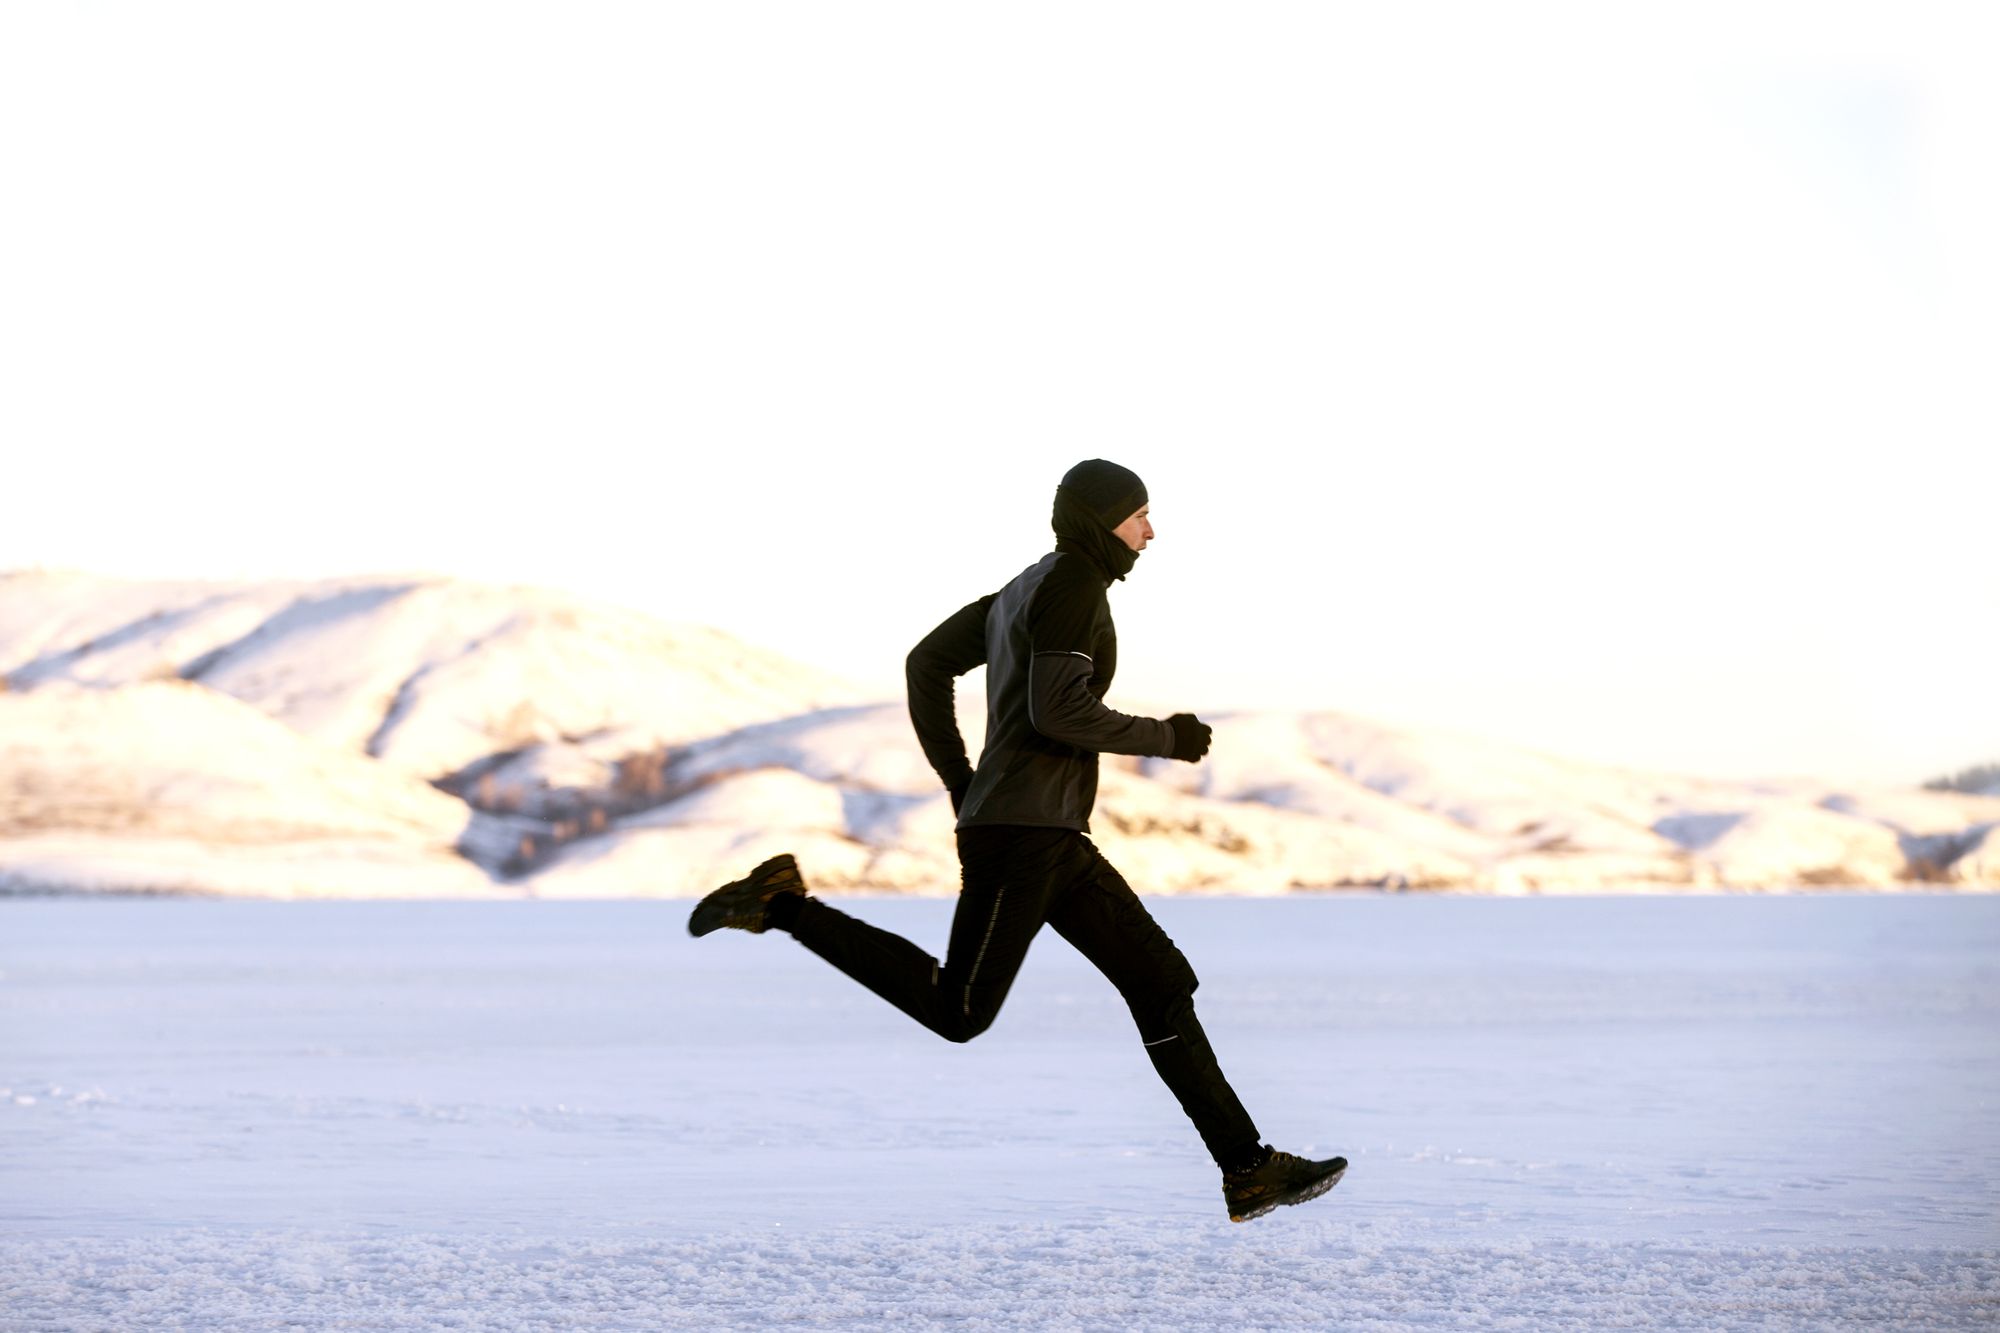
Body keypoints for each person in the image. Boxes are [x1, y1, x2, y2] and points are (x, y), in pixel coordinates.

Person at [689, 459, 1346, 1222]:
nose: (1150, 531)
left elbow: (927, 662)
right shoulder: (1070, 585)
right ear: (1102, 521)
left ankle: (1248, 1169)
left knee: (1162, 981)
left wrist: (961, 780)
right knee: (959, 1009)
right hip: (1020, 837)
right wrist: (1163, 736)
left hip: (1050, 833)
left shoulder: (1024, 589)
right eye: (1139, 516)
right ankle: (785, 904)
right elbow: (1056, 710)